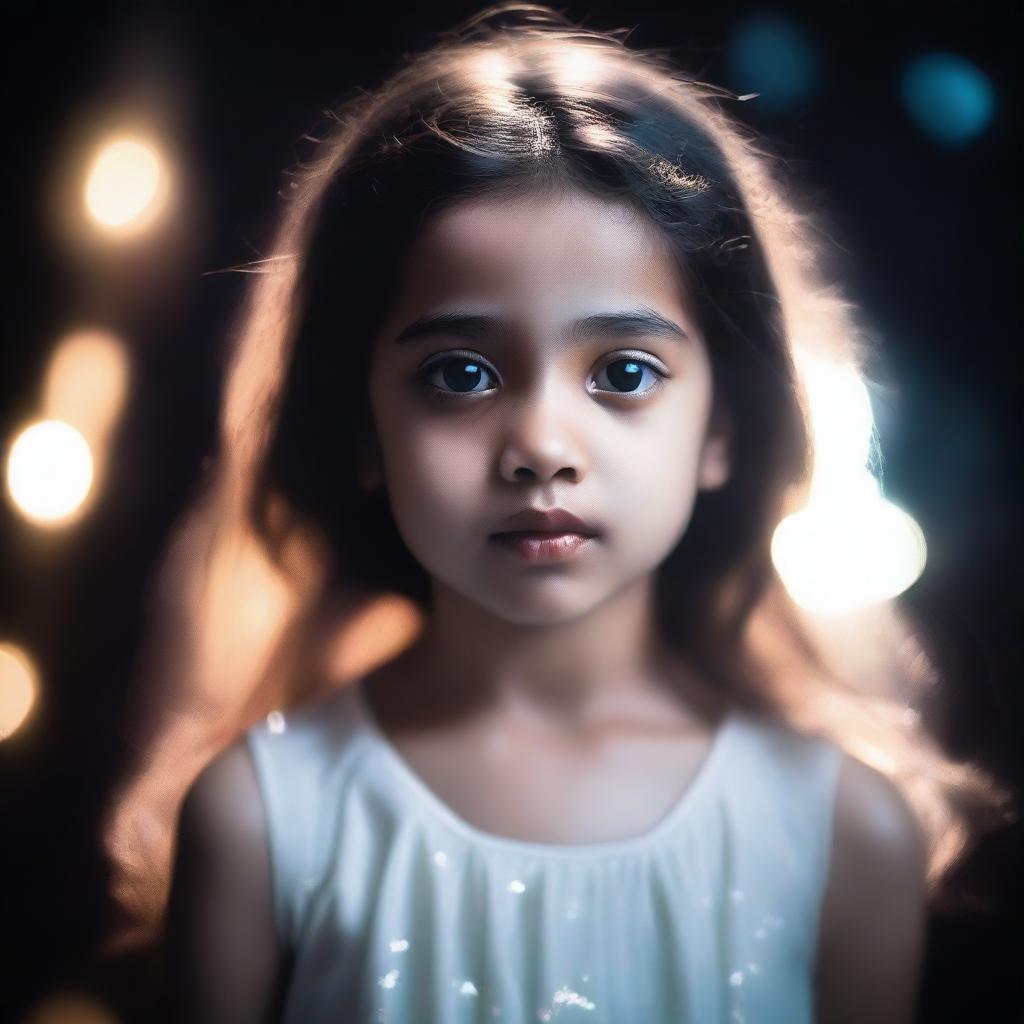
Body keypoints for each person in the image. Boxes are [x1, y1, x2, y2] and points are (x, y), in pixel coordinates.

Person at [155, 4, 1013, 1022]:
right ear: (357, 427)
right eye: (460, 373)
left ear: (721, 428)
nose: (543, 447)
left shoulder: (839, 833)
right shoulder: (262, 820)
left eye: (623, 371)